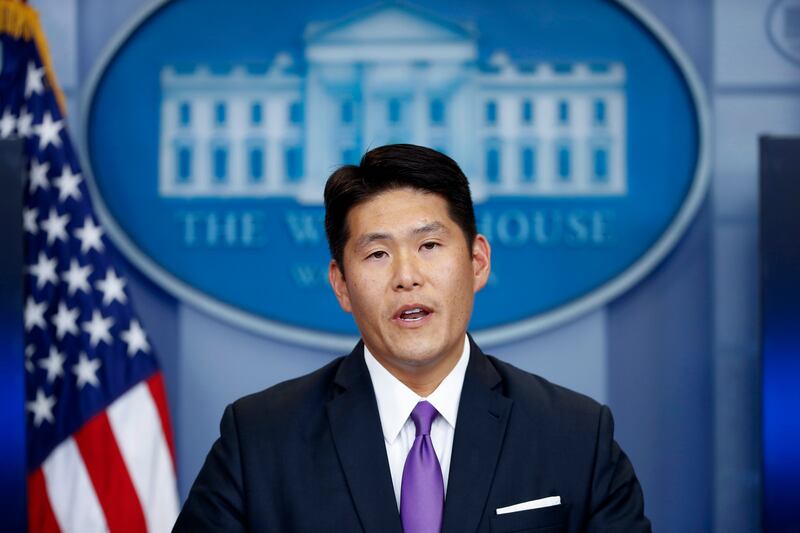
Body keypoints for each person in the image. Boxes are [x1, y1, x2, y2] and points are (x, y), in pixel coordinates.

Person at [174, 144, 651, 532]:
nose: (407, 276)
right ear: (341, 283)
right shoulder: (259, 439)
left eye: (429, 245)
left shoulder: (575, 435)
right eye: (378, 253)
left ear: (477, 262)